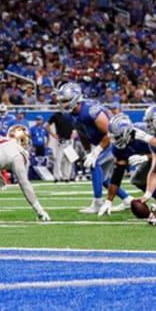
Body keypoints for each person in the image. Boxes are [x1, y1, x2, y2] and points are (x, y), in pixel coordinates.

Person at [55, 81, 121, 213]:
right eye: (62, 101)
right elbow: (82, 132)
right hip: (101, 143)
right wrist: (88, 151)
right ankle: (127, 200)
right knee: (102, 178)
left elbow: (111, 133)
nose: (63, 104)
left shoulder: (90, 110)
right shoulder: (69, 115)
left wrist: (96, 151)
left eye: (66, 100)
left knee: (95, 163)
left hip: (116, 141)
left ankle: (98, 202)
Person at [46, 99, 77, 182]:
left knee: (69, 159)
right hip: (60, 140)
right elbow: (47, 125)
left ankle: (66, 176)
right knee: (58, 158)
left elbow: (79, 124)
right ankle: (56, 176)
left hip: (70, 140)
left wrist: (76, 133)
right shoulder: (56, 115)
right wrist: (53, 135)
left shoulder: (72, 115)